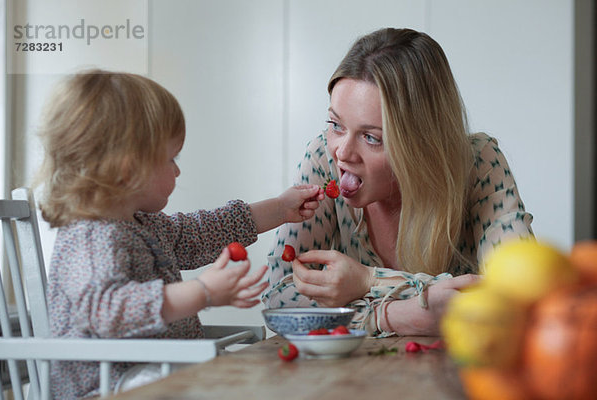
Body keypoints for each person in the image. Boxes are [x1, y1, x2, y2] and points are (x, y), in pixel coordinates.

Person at [35, 69, 324, 399]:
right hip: (105, 385)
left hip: (152, 370)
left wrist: (280, 208)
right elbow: (106, 312)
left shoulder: (142, 224)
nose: (178, 170)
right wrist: (201, 293)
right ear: (128, 168)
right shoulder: (89, 238)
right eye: (171, 158)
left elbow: (201, 231)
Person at [262, 28, 534, 337]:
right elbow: (280, 297)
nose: (343, 151)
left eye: (371, 138)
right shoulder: (322, 160)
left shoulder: (479, 163)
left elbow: (523, 294)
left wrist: (369, 281)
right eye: (335, 125)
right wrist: (389, 316)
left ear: (420, 143)